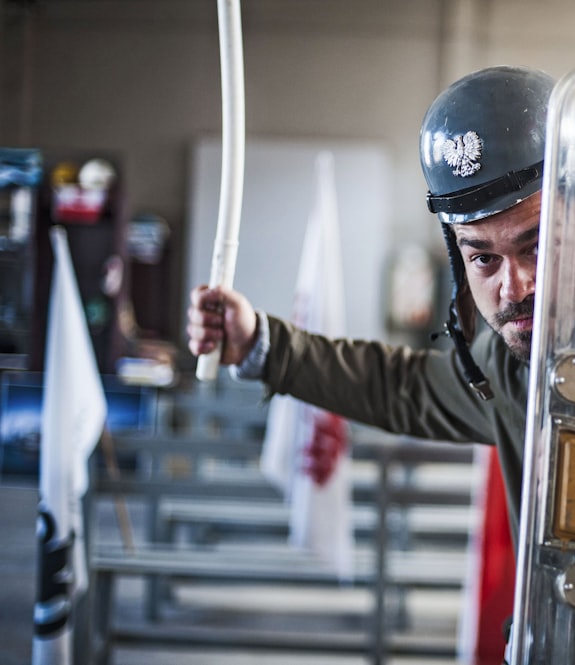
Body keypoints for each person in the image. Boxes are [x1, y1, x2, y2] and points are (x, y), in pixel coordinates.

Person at [187, 65, 555, 536]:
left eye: (537, 247)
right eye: (483, 259)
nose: (515, 287)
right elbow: (405, 387)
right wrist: (262, 343)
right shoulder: (512, 371)